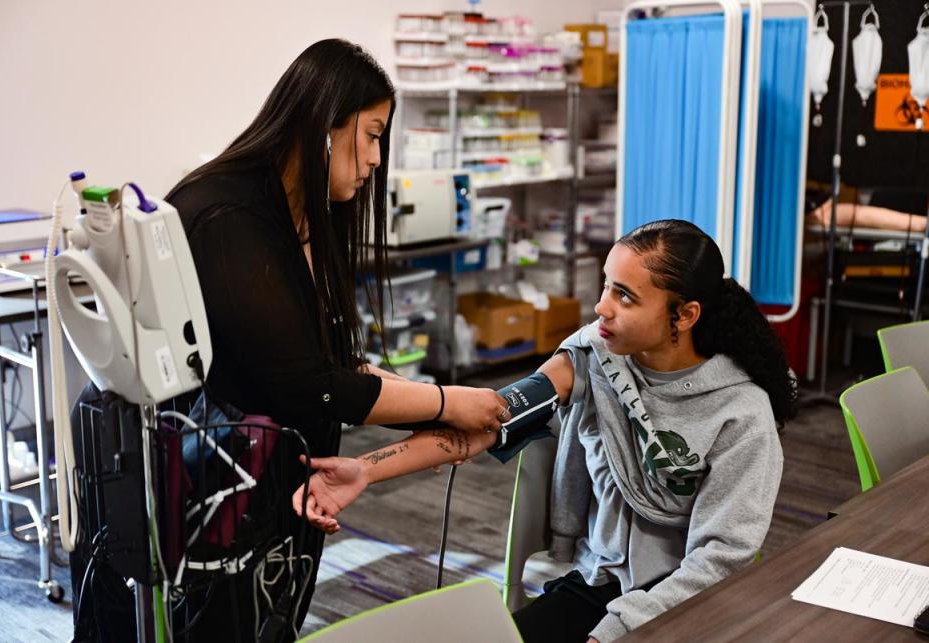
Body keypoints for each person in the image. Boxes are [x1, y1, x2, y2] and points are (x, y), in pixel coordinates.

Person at [292, 219, 796, 642]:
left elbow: (722, 558)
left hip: (692, 605)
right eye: (605, 285)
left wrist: (617, 629)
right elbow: (492, 421)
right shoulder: (596, 358)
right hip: (597, 584)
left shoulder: (742, 414)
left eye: (624, 296)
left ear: (684, 316)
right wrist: (364, 470)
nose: (601, 307)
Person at [158, 39, 508, 641]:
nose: (376, 159)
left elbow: (334, 365)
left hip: (282, 481)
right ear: (325, 125)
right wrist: (450, 401)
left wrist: (442, 405)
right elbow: (312, 386)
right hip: (217, 488)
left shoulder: (300, 214)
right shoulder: (230, 217)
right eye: (372, 135)